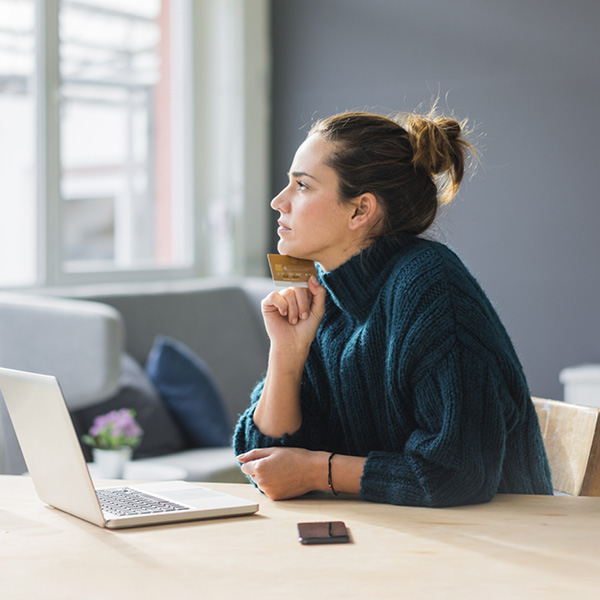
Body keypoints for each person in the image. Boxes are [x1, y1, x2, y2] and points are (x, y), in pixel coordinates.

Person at [234, 106, 553, 507]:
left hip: (499, 546)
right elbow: (263, 462)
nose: (279, 201)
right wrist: (287, 352)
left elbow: (458, 473)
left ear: (360, 210)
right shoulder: (324, 299)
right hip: (391, 541)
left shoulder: (431, 286)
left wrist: (317, 470)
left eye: (302, 186)